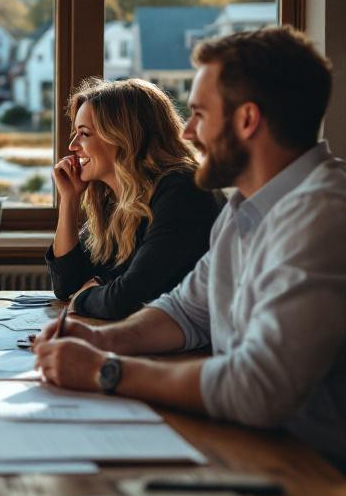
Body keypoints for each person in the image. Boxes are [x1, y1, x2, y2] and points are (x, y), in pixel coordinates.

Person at [33, 26, 346, 467]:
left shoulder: (322, 215)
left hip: (319, 470)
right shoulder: (245, 209)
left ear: (246, 120)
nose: (187, 132)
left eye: (198, 113)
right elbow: (186, 312)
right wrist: (98, 336)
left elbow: (258, 389)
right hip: (260, 445)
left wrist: (106, 370)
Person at [47, 78, 224, 319]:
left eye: (84, 134)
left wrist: (84, 298)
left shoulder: (181, 191)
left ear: (123, 137)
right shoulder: (115, 197)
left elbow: (124, 300)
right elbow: (66, 286)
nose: (72, 146)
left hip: (195, 347)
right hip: (147, 338)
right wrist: (69, 200)